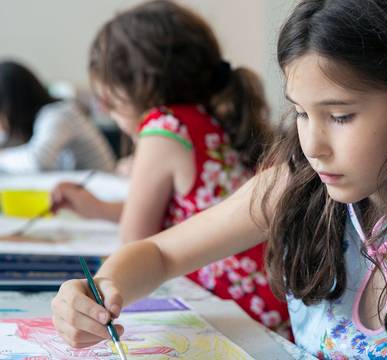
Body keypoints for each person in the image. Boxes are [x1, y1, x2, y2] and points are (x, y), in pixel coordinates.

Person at [51, 0, 387, 357]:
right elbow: (160, 253)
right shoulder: (298, 187)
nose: (313, 145)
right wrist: (102, 290)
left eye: (341, 116)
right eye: (301, 113)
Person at [51, 0, 289, 334]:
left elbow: (134, 240)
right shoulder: (210, 116)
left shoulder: (164, 125)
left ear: (137, 85)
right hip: (270, 298)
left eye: (108, 98)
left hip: (236, 309)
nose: (106, 109)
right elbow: (186, 215)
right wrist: (99, 208)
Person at [0, 60, 115, 173]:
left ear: (12, 106)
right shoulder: (41, 120)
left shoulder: (58, 114)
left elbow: (39, 161)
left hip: (100, 186)